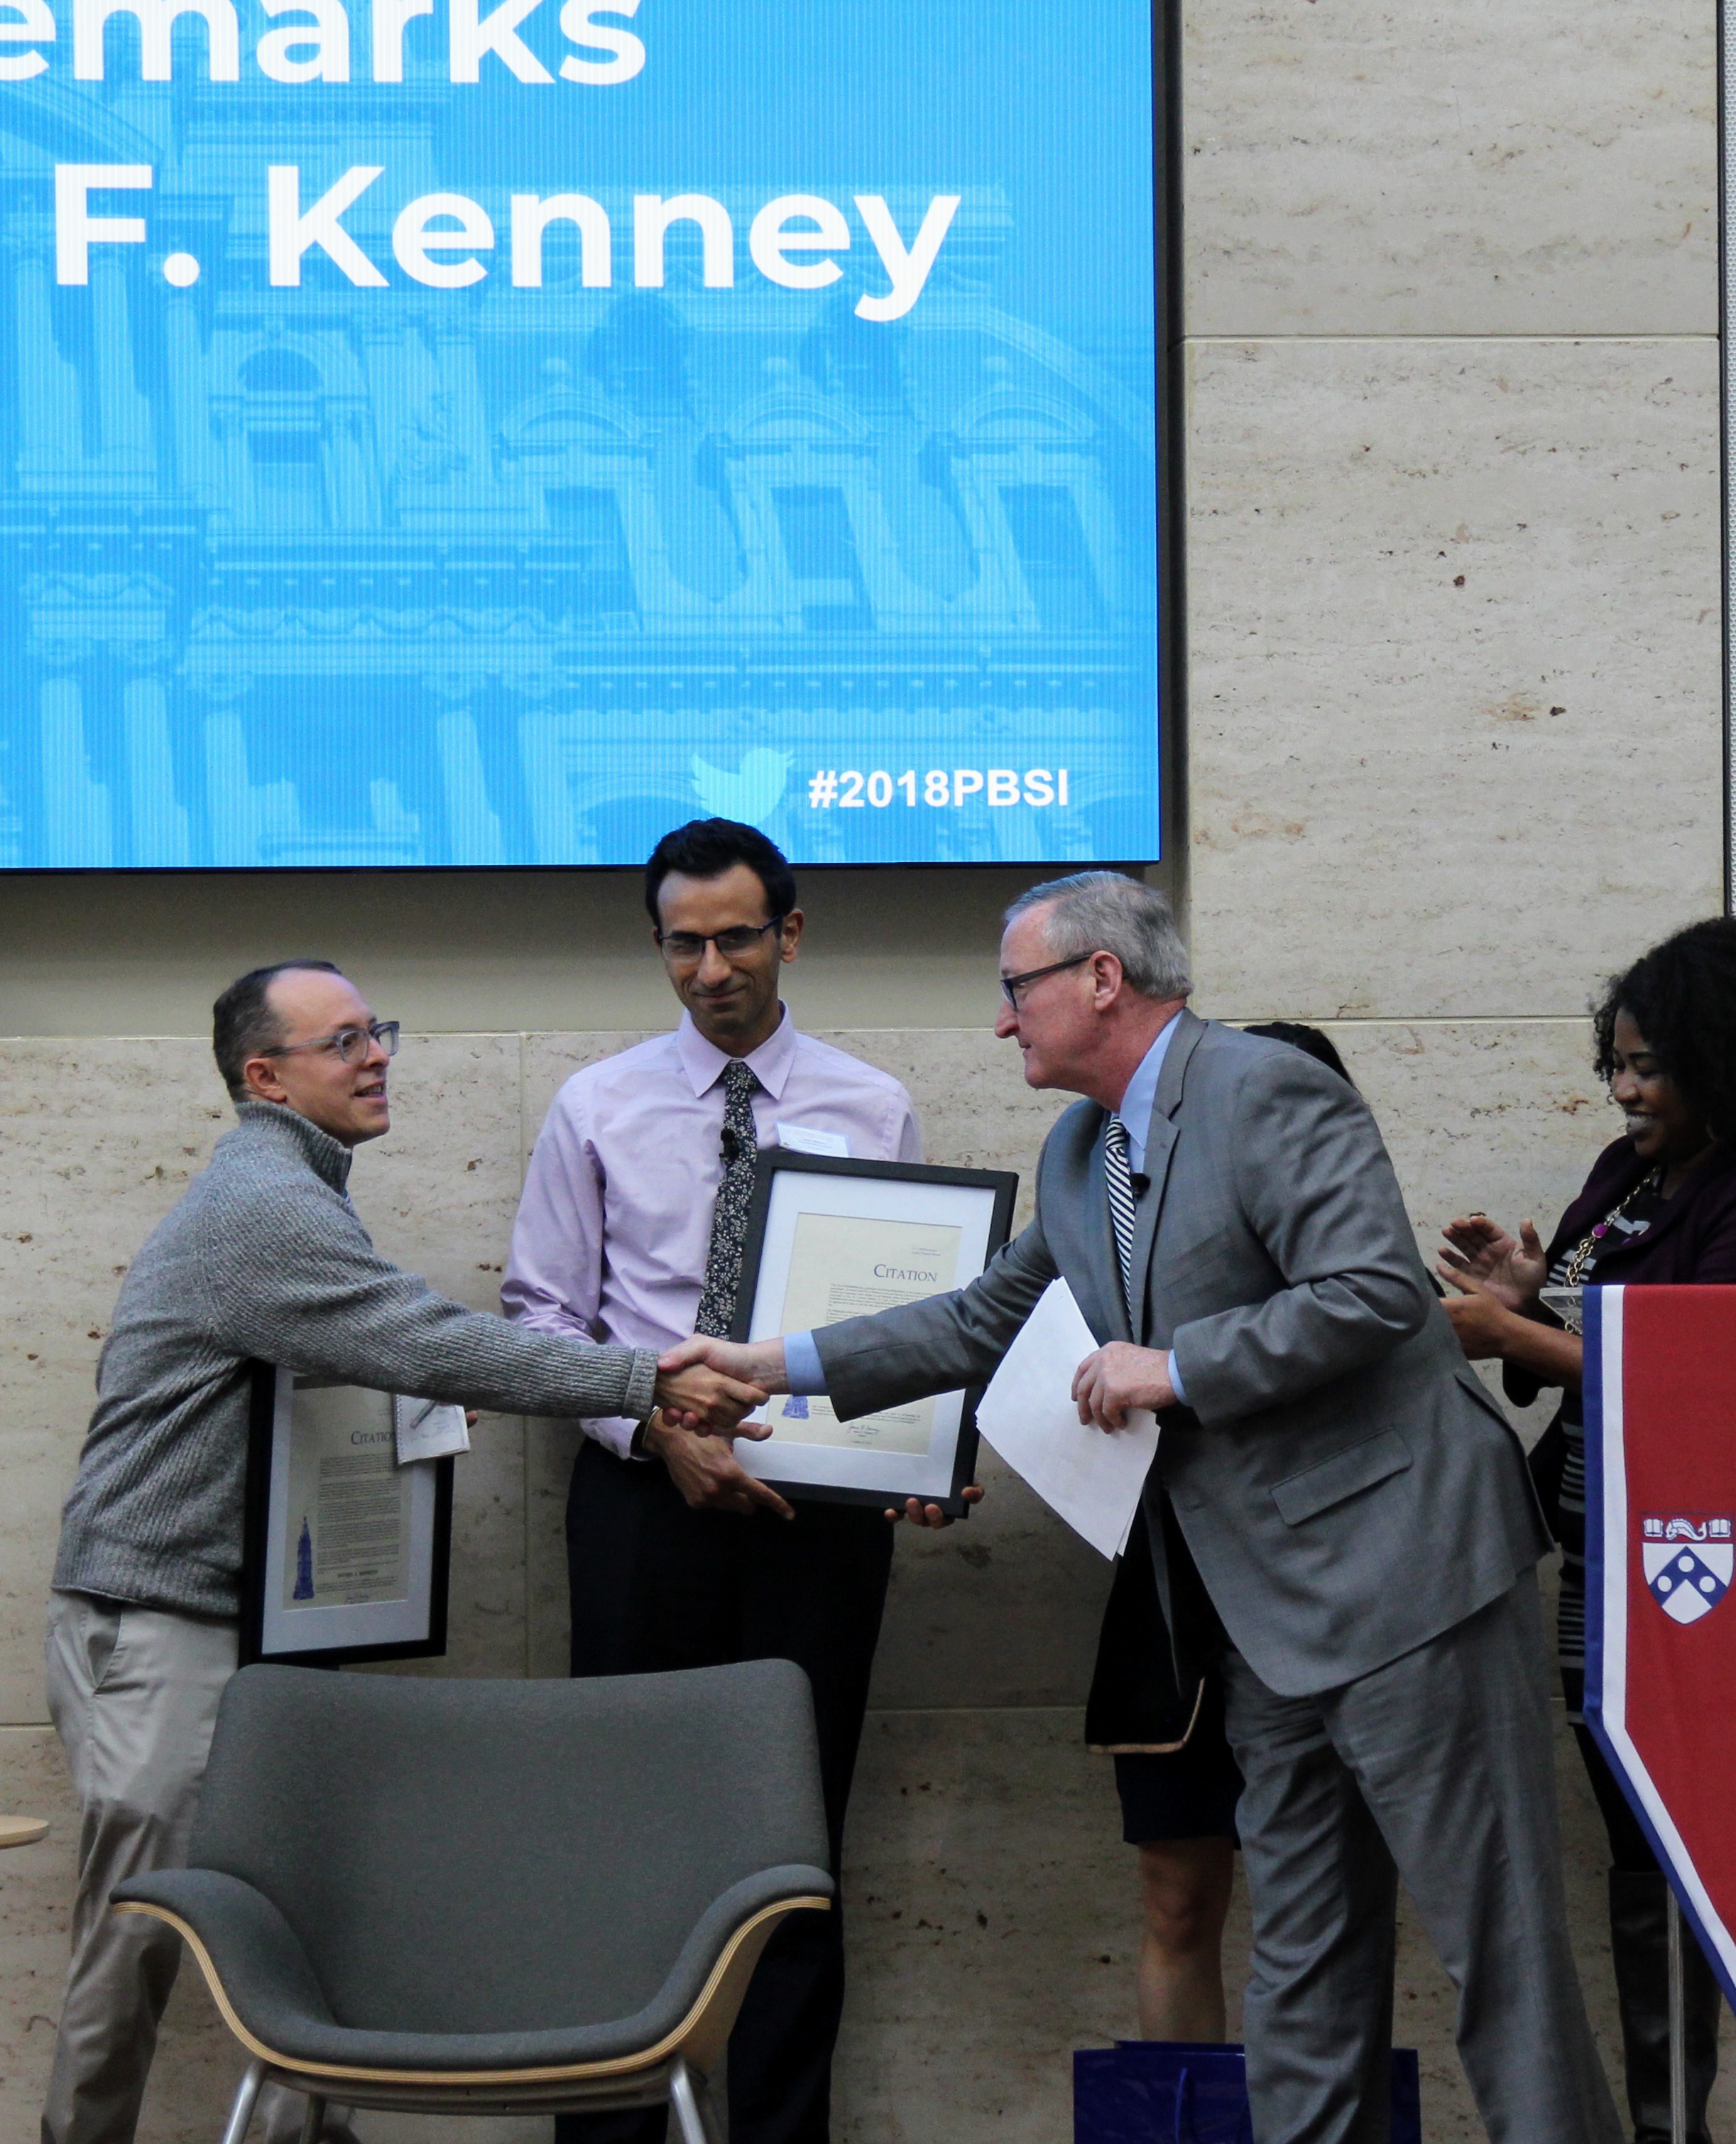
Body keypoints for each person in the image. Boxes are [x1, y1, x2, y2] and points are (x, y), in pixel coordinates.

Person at [670, 872, 1622, 2144]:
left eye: (1016, 991)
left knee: (1495, 1953)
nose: (1004, 1023)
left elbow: (1369, 1295)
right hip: (1264, 1620)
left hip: (1413, 1582)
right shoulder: (1078, 1151)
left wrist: (1172, 1369)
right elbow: (972, 1324)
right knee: (1299, 1967)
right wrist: (768, 1366)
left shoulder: (1267, 1089)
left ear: (1100, 979)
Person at [38, 959, 765, 2144]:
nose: (377, 1053)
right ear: (263, 1077)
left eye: (377, 1029)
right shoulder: (264, 1205)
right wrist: (648, 1377)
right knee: (133, 1949)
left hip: (239, 1630)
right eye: (343, 1041)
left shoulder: (300, 1193)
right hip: (161, 1623)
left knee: (292, 1939)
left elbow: (345, 1373)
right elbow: (422, 1338)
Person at [502, 818, 922, 2144]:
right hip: (641, 1505)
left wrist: (920, 1449)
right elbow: (537, 1322)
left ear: (788, 934)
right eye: (681, 944)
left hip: (820, 1516)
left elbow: (910, 1315)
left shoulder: (873, 1103)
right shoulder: (597, 1104)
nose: (708, 968)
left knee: (794, 1855)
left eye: (736, 936)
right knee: (622, 1849)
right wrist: (654, 1428)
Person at [1435, 915, 1736, 2144]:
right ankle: (1664, 2129)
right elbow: (1597, 1330)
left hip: (1726, 1611)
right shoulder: (1624, 1180)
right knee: (1640, 1871)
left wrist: (1520, 1339)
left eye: (1650, 1067)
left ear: (1733, 1064)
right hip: (1602, 1589)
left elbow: (1714, 1391)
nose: (1625, 1090)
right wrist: (1523, 1291)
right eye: (1614, 1064)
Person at [1086, 1018, 1360, 2049]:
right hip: (1172, 1600)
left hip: (1321, 1605)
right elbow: (991, 1327)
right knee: (1175, 1901)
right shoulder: (1128, 1235)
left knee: (1316, 1906)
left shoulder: (1361, 1284)